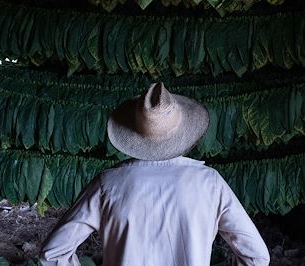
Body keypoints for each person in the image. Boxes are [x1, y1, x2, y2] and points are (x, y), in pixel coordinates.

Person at [40, 82, 270, 266]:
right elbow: (257, 257)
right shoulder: (210, 183)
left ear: (134, 132)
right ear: (183, 132)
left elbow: (53, 253)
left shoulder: (107, 184)